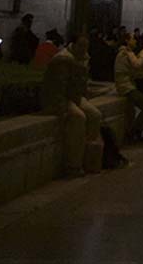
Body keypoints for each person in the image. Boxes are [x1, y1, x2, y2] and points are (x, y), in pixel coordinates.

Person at [42, 34, 101, 177]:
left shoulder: (82, 58)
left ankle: (88, 159)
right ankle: (73, 165)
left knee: (95, 115)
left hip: (75, 97)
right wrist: (63, 110)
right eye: (81, 46)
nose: (84, 49)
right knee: (78, 117)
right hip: (61, 98)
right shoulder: (63, 59)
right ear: (73, 45)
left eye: (86, 46)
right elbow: (58, 87)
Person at [114, 32, 143, 140]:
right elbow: (136, 68)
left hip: (128, 84)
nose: (136, 41)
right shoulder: (126, 53)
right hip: (126, 86)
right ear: (127, 41)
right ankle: (134, 131)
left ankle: (141, 131)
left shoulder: (126, 53)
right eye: (133, 39)